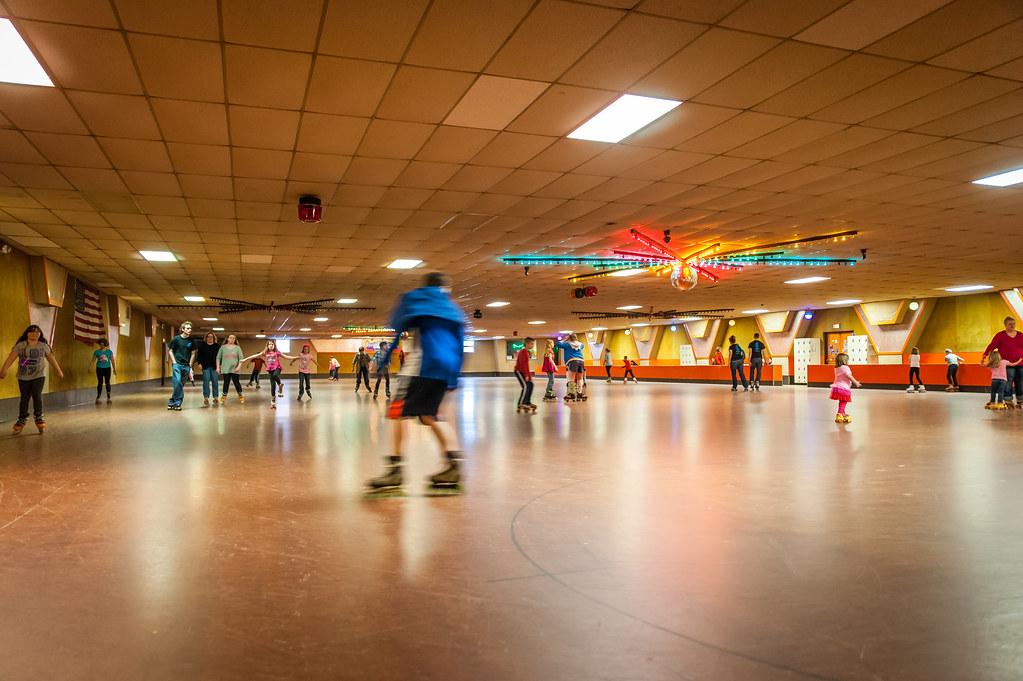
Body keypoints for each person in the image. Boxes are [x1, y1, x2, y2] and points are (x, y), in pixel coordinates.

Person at [366, 272, 467, 495]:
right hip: (445, 368)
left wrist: (384, 359)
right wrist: (454, 377)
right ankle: (453, 466)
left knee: (396, 412)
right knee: (430, 415)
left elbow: (397, 324)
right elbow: (460, 344)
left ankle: (395, 470)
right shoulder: (454, 310)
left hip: (423, 365)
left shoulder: (419, 298)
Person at [1, 324, 64, 433]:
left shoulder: (43, 346)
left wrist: (59, 370)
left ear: (40, 334)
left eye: (37, 332)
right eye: (32, 331)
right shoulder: (21, 346)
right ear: (27, 333)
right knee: (24, 398)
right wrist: (4, 370)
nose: (35, 333)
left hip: (38, 376)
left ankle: (38, 416)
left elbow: (51, 359)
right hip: (23, 376)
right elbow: (10, 358)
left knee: (37, 396)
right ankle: (22, 418)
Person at [241, 341, 296, 409]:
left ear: (274, 345)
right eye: (269, 344)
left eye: (272, 344)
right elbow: (254, 356)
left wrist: (296, 357)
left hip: (277, 368)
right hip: (270, 369)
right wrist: (245, 359)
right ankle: (273, 402)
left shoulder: (277, 352)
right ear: (267, 346)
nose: (271, 345)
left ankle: (280, 385)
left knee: (275, 375)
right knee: (272, 385)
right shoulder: (265, 353)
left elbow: (286, 357)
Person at [983, 317, 1023, 407]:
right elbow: (992, 345)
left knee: (1020, 381)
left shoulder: (1021, 335)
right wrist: (986, 354)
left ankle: (1021, 398)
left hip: (1020, 363)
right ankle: (1008, 399)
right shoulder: (1000, 335)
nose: (1012, 325)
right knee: (1008, 381)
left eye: (1013, 323)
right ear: (1005, 325)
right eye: (1010, 324)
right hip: (1007, 363)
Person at [166, 321, 195, 411]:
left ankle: (172, 401)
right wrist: (174, 361)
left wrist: (190, 364)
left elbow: (193, 353)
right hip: (177, 364)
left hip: (186, 365)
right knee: (177, 381)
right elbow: (170, 350)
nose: (189, 330)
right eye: (187, 328)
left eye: (190, 328)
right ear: (182, 329)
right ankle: (178, 402)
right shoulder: (176, 339)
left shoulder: (191, 340)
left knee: (180, 385)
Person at [555, 333, 587, 402]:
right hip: (581, 361)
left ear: (570, 338)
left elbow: (558, 344)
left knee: (571, 378)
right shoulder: (580, 345)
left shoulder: (567, 345)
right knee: (580, 378)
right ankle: (580, 393)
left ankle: (571, 394)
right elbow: (583, 345)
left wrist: (565, 340)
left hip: (572, 361)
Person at [830, 352, 861, 423]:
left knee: (841, 401)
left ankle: (842, 413)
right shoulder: (846, 368)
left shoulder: (837, 368)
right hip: (843, 388)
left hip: (837, 387)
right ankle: (840, 413)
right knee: (844, 401)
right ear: (845, 361)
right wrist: (856, 382)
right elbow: (849, 376)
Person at [217, 333, 245, 403]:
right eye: (230, 338)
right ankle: (224, 395)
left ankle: (240, 394)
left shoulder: (237, 348)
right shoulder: (222, 347)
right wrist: (218, 367)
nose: (232, 339)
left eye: (233, 338)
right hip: (225, 369)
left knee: (236, 382)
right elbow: (218, 358)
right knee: (226, 382)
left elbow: (241, 359)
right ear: (227, 338)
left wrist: (238, 367)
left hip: (235, 369)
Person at [194, 331, 221, 406]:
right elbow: (199, 355)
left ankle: (215, 396)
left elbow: (219, 357)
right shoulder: (202, 346)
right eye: (208, 337)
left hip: (214, 366)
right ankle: (206, 397)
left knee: (215, 381)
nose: (210, 338)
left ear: (213, 338)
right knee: (206, 381)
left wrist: (219, 365)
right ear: (206, 338)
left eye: (211, 337)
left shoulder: (217, 346)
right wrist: (199, 363)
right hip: (205, 366)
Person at [89, 338, 116, 404]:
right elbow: (93, 360)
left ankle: (109, 397)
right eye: (100, 345)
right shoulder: (97, 352)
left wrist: (114, 369)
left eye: (103, 345)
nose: (102, 346)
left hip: (107, 368)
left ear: (105, 345)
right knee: (100, 382)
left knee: (107, 382)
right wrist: (90, 367)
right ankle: (98, 398)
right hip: (99, 368)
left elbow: (112, 360)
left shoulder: (109, 352)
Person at [514, 337, 536, 412]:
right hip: (519, 371)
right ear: (527, 344)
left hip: (524, 371)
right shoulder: (523, 352)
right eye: (532, 344)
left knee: (531, 385)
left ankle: (527, 402)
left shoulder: (527, 352)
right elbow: (522, 364)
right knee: (526, 386)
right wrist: (527, 375)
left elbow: (526, 365)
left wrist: (529, 375)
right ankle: (520, 403)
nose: (533, 345)